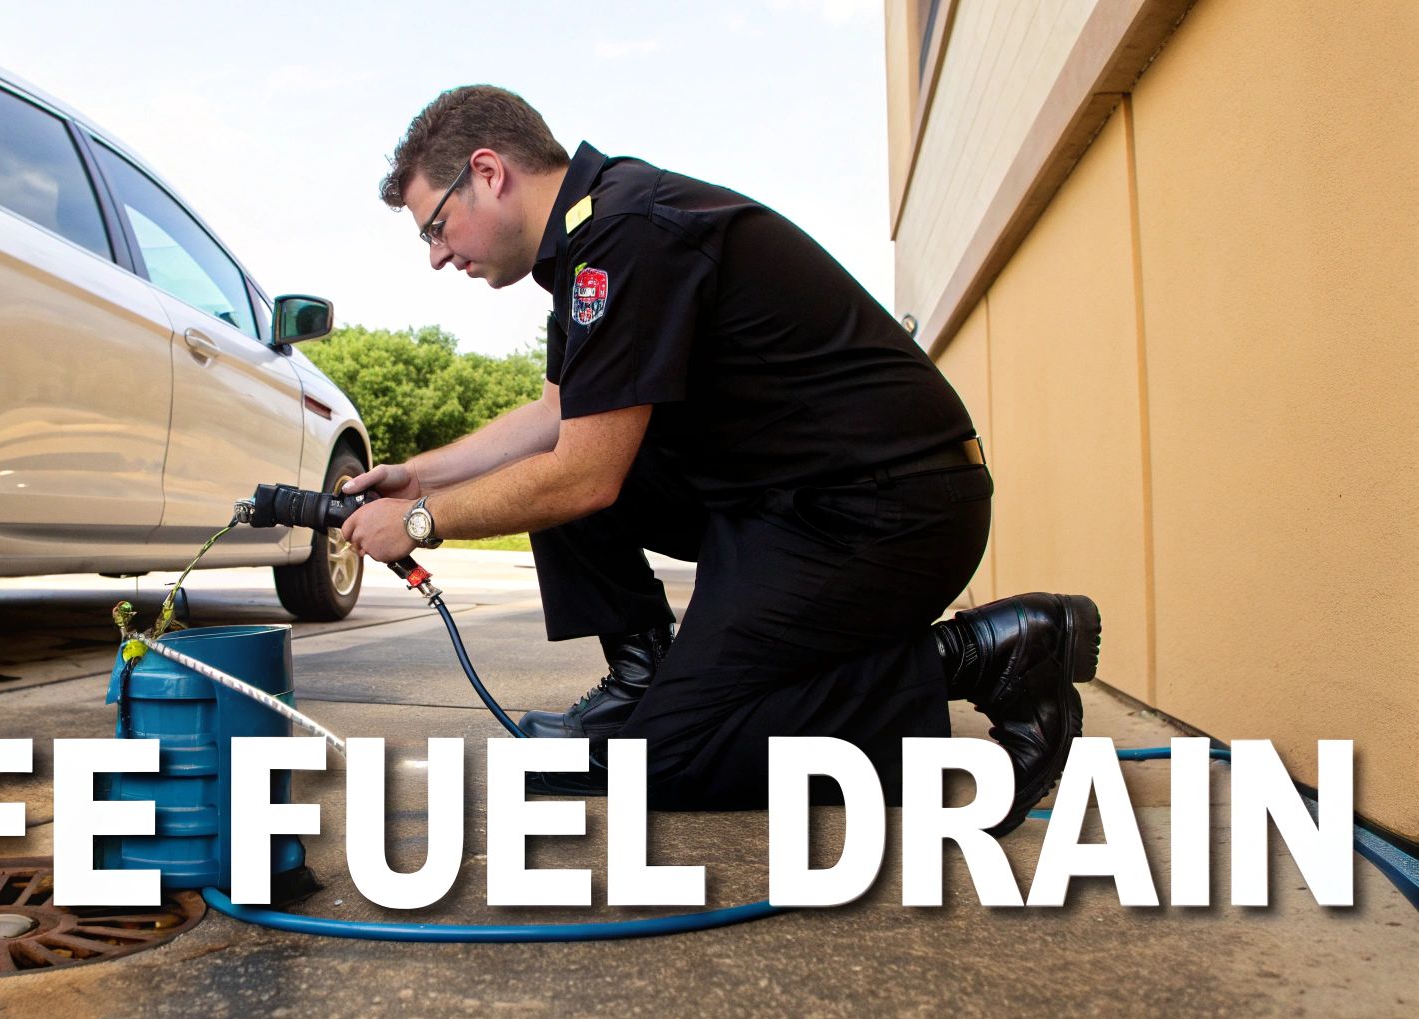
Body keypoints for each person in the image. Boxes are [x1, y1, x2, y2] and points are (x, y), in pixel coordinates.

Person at [338, 85, 1097, 834]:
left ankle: (982, 654)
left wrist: (419, 520)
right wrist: (425, 475)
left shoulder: (627, 233)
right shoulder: (590, 238)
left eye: (435, 225)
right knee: (552, 469)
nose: (437, 256)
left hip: (888, 514)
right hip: (793, 501)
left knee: (669, 760)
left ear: (490, 171)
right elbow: (555, 419)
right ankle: (644, 681)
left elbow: (582, 475)